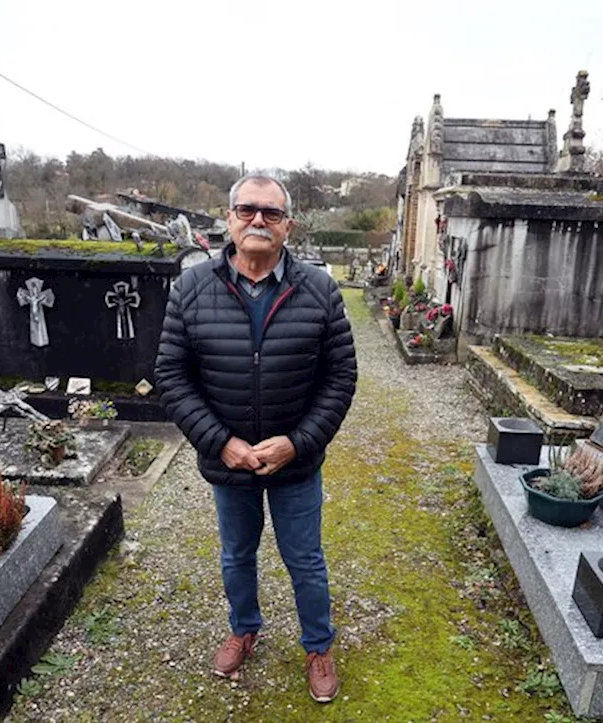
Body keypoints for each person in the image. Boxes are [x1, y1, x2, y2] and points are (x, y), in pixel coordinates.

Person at [154, 174, 357, 703]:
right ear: (229, 219)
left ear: (288, 225)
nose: (258, 221)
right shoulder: (192, 288)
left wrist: (299, 442)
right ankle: (244, 629)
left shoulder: (319, 289)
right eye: (247, 210)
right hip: (230, 463)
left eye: (271, 213)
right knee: (236, 555)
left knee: (305, 559)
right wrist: (220, 442)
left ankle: (318, 646)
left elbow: (340, 379)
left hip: (295, 463)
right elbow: (172, 376)